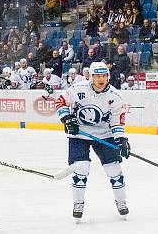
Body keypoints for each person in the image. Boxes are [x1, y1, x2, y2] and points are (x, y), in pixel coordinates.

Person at [54, 61, 130, 219]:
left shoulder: (116, 97)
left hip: (104, 133)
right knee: (81, 167)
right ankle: (78, 203)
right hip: (80, 133)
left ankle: (121, 202)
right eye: (97, 76)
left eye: (104, 76)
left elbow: (117, 122)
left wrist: (121, 140)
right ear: (91, 77)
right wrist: (66, 118)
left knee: (114, 169)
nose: (101, 79)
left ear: (108, 77)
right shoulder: (78, 89)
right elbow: (59, 101)